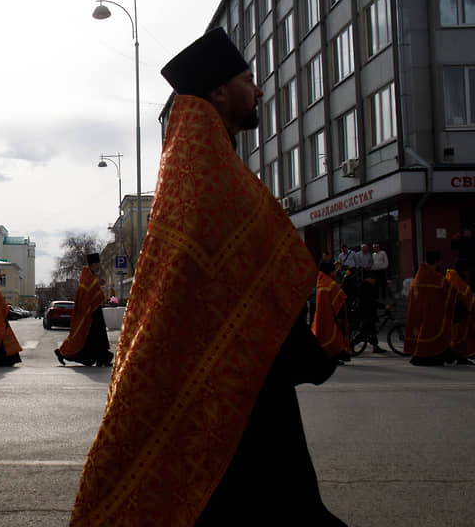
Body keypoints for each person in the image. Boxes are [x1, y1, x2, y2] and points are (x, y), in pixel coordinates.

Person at [69, 28, 343, 526]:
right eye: (247, 79)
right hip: (246, 395)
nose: (258, 90)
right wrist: (310, 355)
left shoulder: (194, 179)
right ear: (219, 91)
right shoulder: (221, 185)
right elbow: (251, 285)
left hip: (217, 388)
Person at [54, 253, 112, 367]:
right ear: (92, 264)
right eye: (97, 264)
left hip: (94, 311)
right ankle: (62, 353)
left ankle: (102, 358)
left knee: (95, 338)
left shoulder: (90, 275)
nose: (98, 266)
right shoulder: (87, 277)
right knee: (86, 338)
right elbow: (86, 296)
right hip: (90, 312)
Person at [404, 252, 457, 366]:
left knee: (425, 335)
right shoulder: (435, 277)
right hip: (433, 312)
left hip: (419, 312)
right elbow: (449, 292)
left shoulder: (419, 275)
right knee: (434, 334)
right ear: (437, 262)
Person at [312, 261, 350, 364]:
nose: (335, 273)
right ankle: (333, 357)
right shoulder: (330, 284)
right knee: (334, 339)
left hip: (322, 317)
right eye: (334, 270)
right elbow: (339, 301)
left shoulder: (321, 283)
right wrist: (339, 317)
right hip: (332, 318)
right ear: (331, 271)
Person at [446, 260, 474, 365]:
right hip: (460, 314)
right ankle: (459, 356)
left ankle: (458, 355)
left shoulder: (452, 278)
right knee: (460, 336)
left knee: (458, 336)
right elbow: (465, 296)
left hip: (456, 313)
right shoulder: (458, 281)